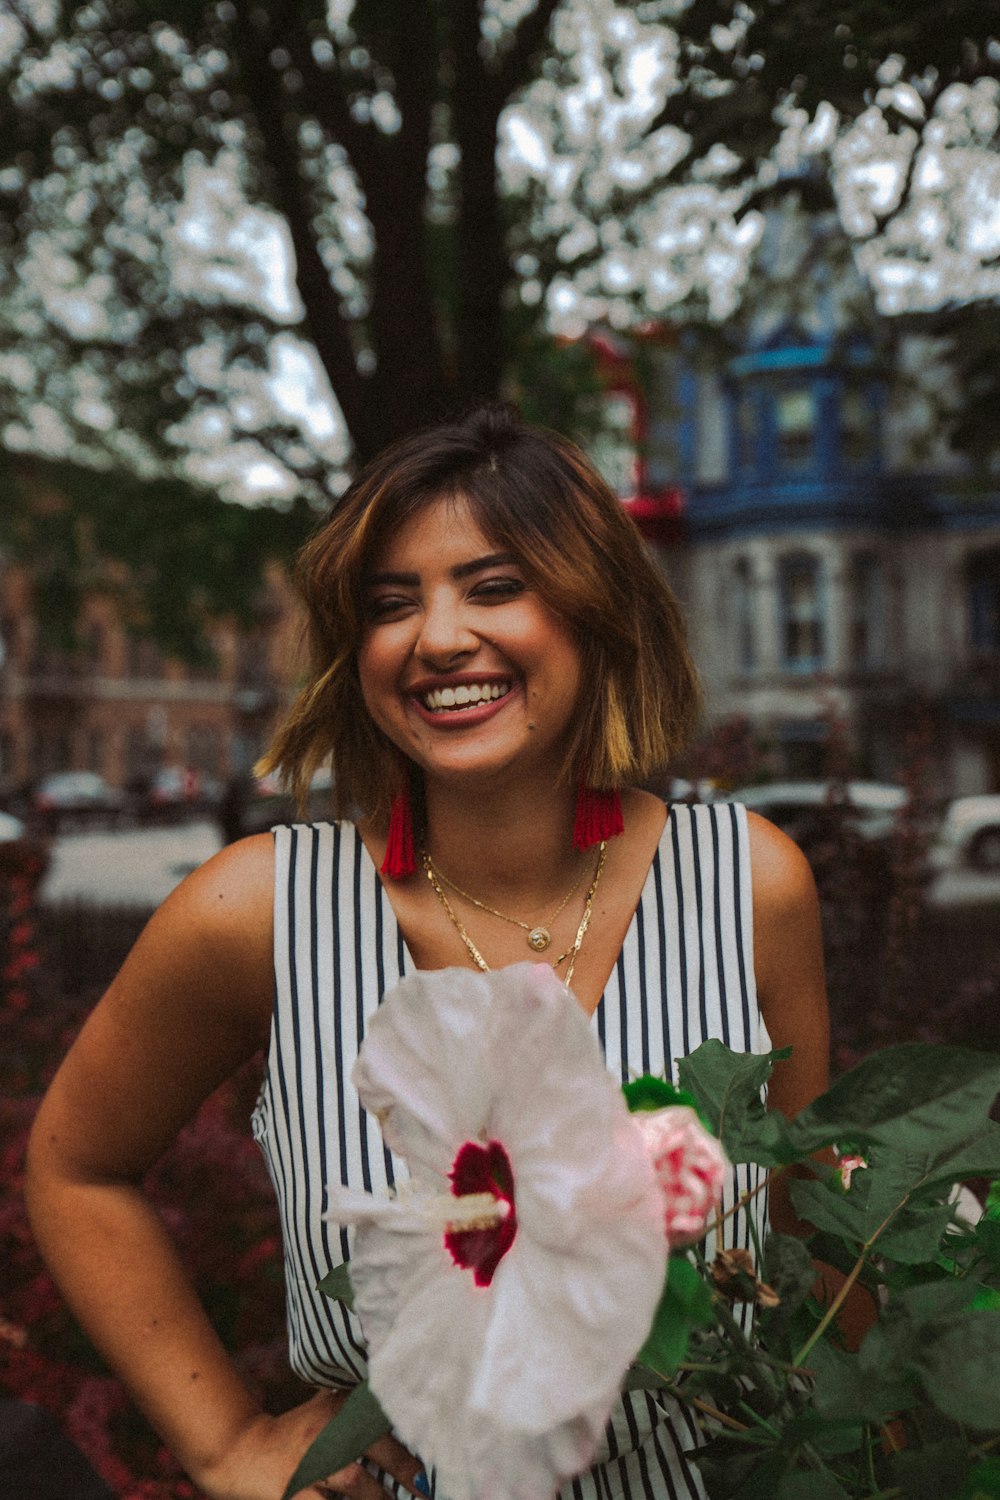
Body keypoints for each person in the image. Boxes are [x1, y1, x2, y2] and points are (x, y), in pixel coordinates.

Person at [26, 404, 829, 1500]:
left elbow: (822, 1246)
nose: (436, 637)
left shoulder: (749, 883)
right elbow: (76, 1167)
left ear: (596, 612)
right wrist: (229, 1445)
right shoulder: (259, 913)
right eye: (390, 606)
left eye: (495, 587)